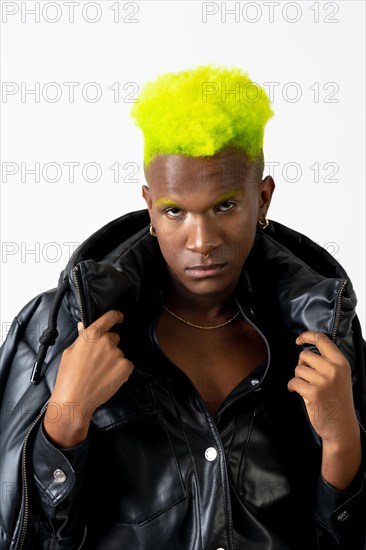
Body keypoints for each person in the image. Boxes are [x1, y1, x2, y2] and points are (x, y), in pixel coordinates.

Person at [0, 65, 365, 550]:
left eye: (225, 206)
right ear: (150, 207)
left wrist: (343, 441)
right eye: (175, 211)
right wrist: (65, 420)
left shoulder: (321, 331)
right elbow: (17, 535)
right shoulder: (60, 328)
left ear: (263, 198)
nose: (202, 241)